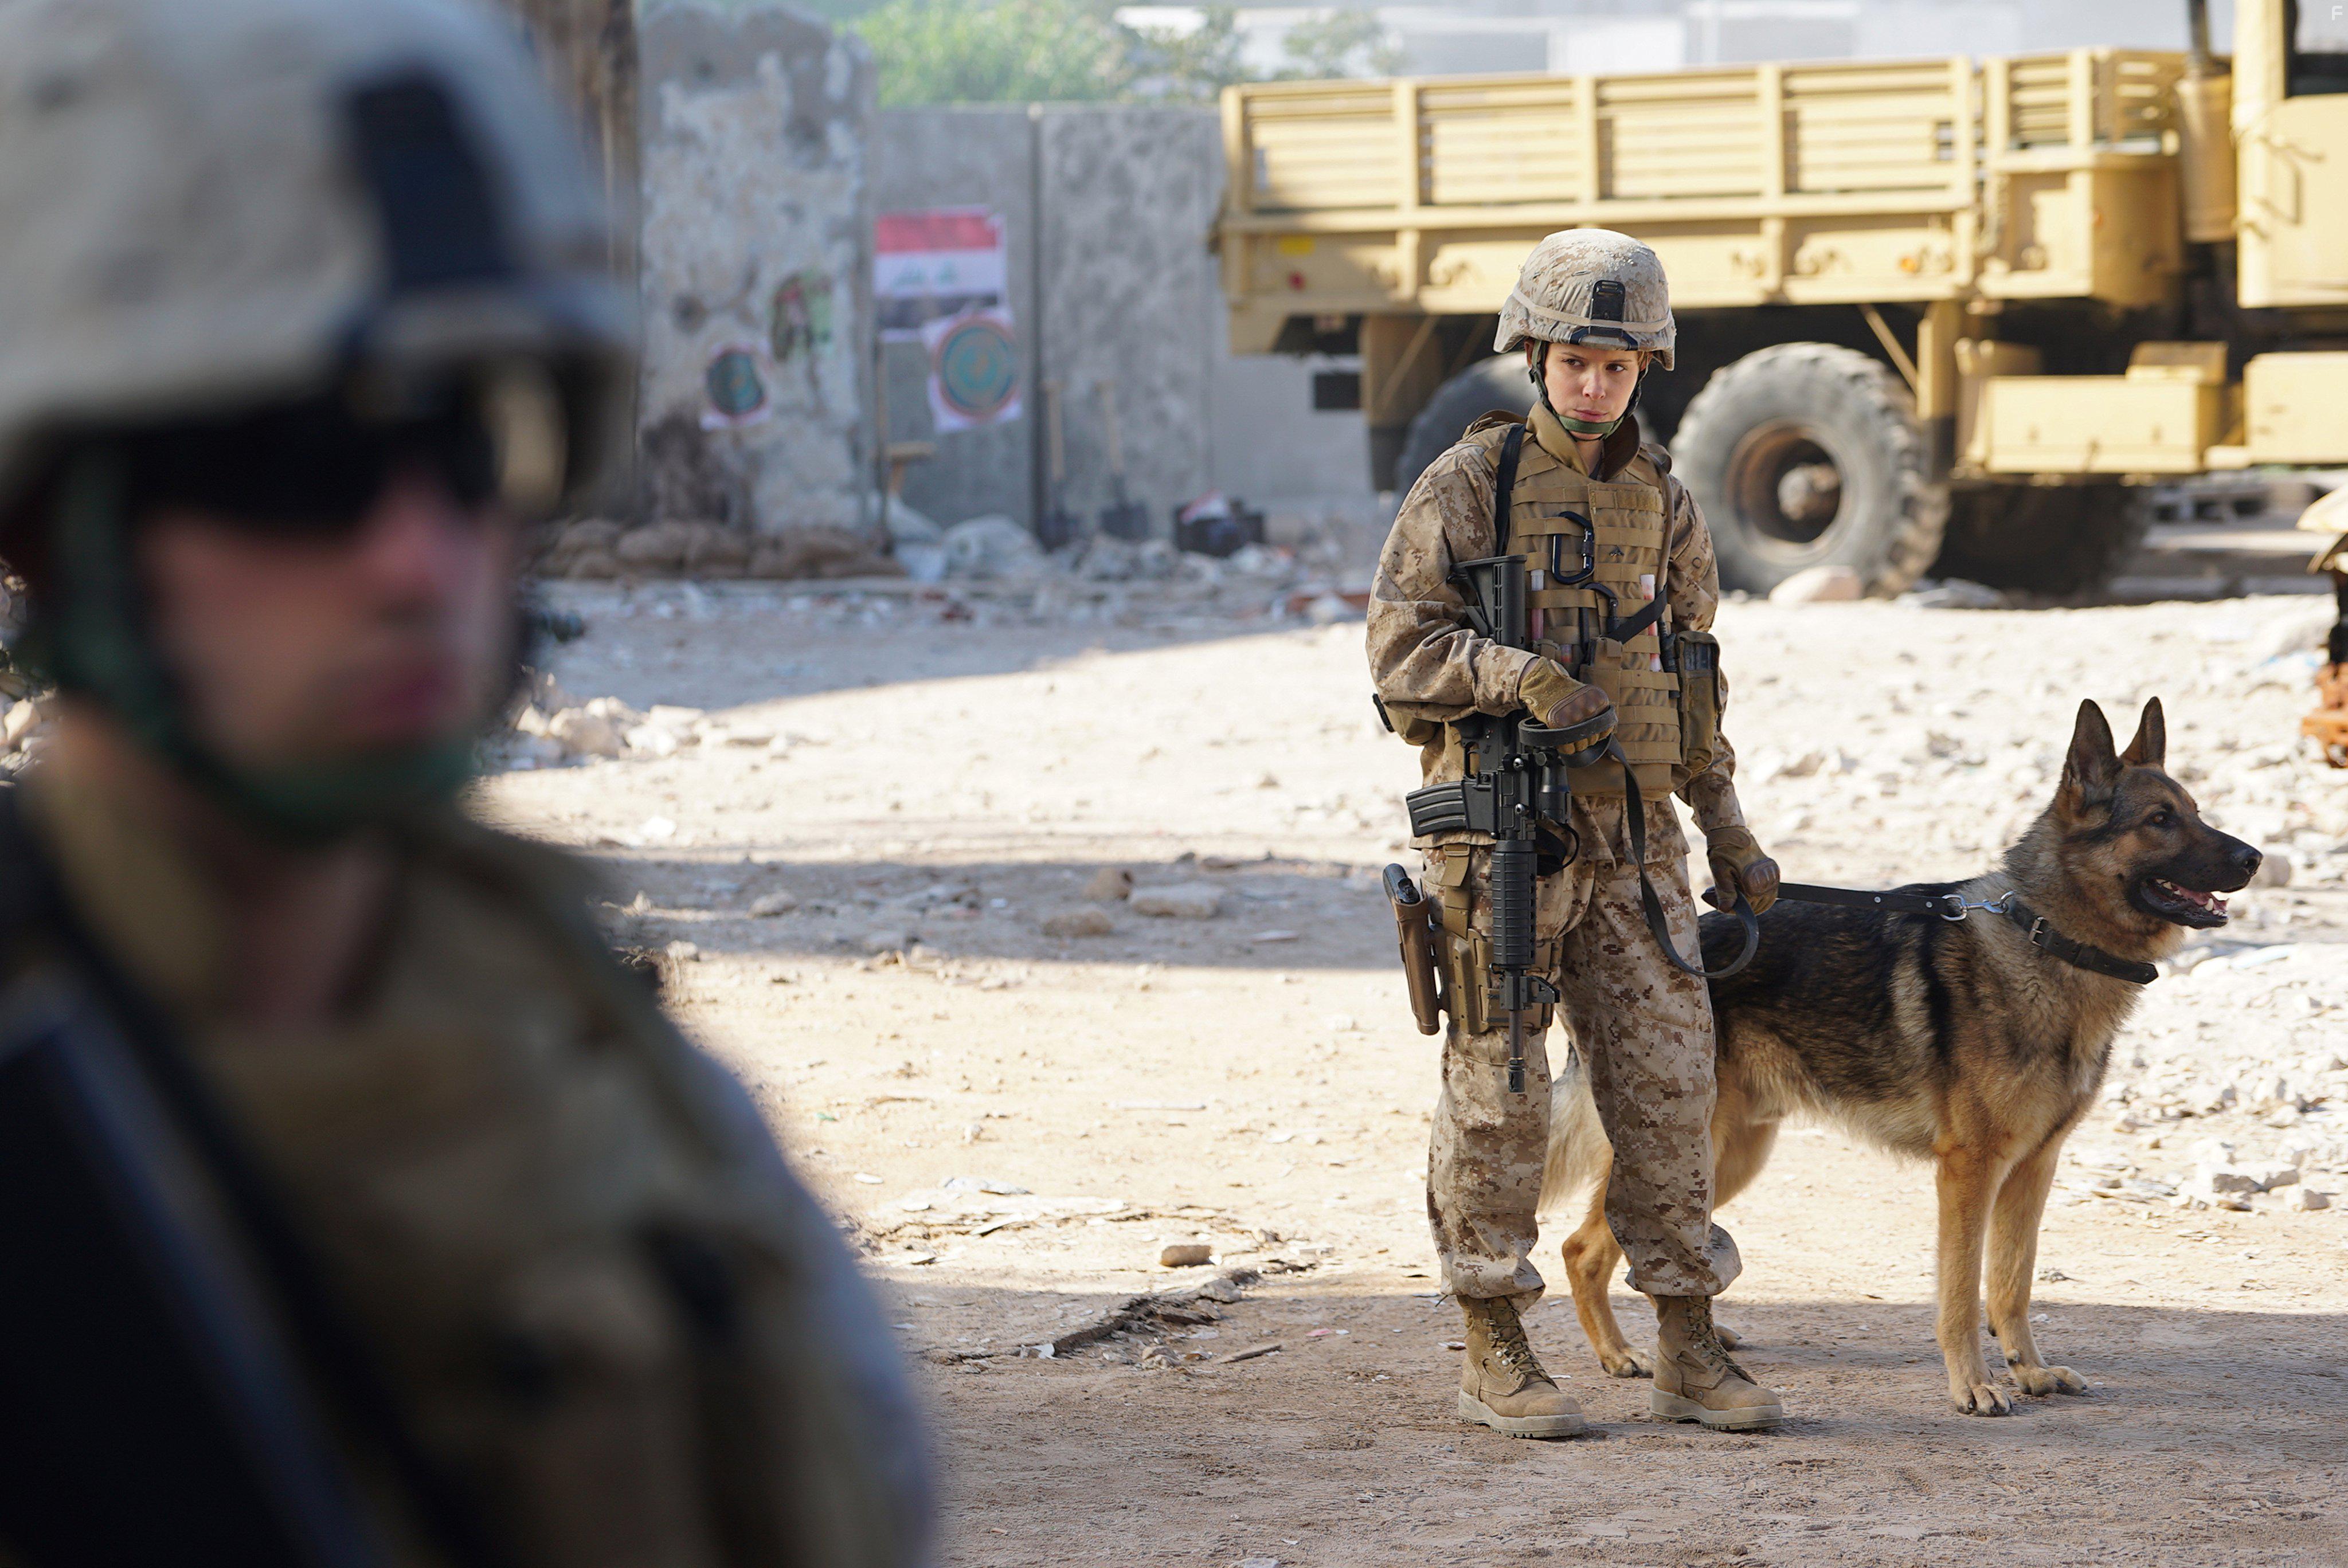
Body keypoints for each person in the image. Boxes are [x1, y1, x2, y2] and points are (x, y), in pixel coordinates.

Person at [0, 0, 929, 1562]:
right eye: (294, 467)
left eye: (477, 445)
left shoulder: (613, 1074)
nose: (418, 562)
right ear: (45, 524)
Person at [1366, 228, 1785, 1437]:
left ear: (1644, 368)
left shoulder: (1662, 503)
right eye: (1572, 361)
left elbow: (1691, 691)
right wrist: (1514, 675)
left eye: (1615, 364)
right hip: (1502, 836)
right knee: (1496, 1090)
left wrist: (1730, 835)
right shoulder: (1464, 487)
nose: (1592, 384)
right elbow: (1397, 656)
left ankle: (1686, 1341)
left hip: (1635, 843)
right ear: (1534, 356)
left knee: (1664, 1086)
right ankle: (1492, 1337)